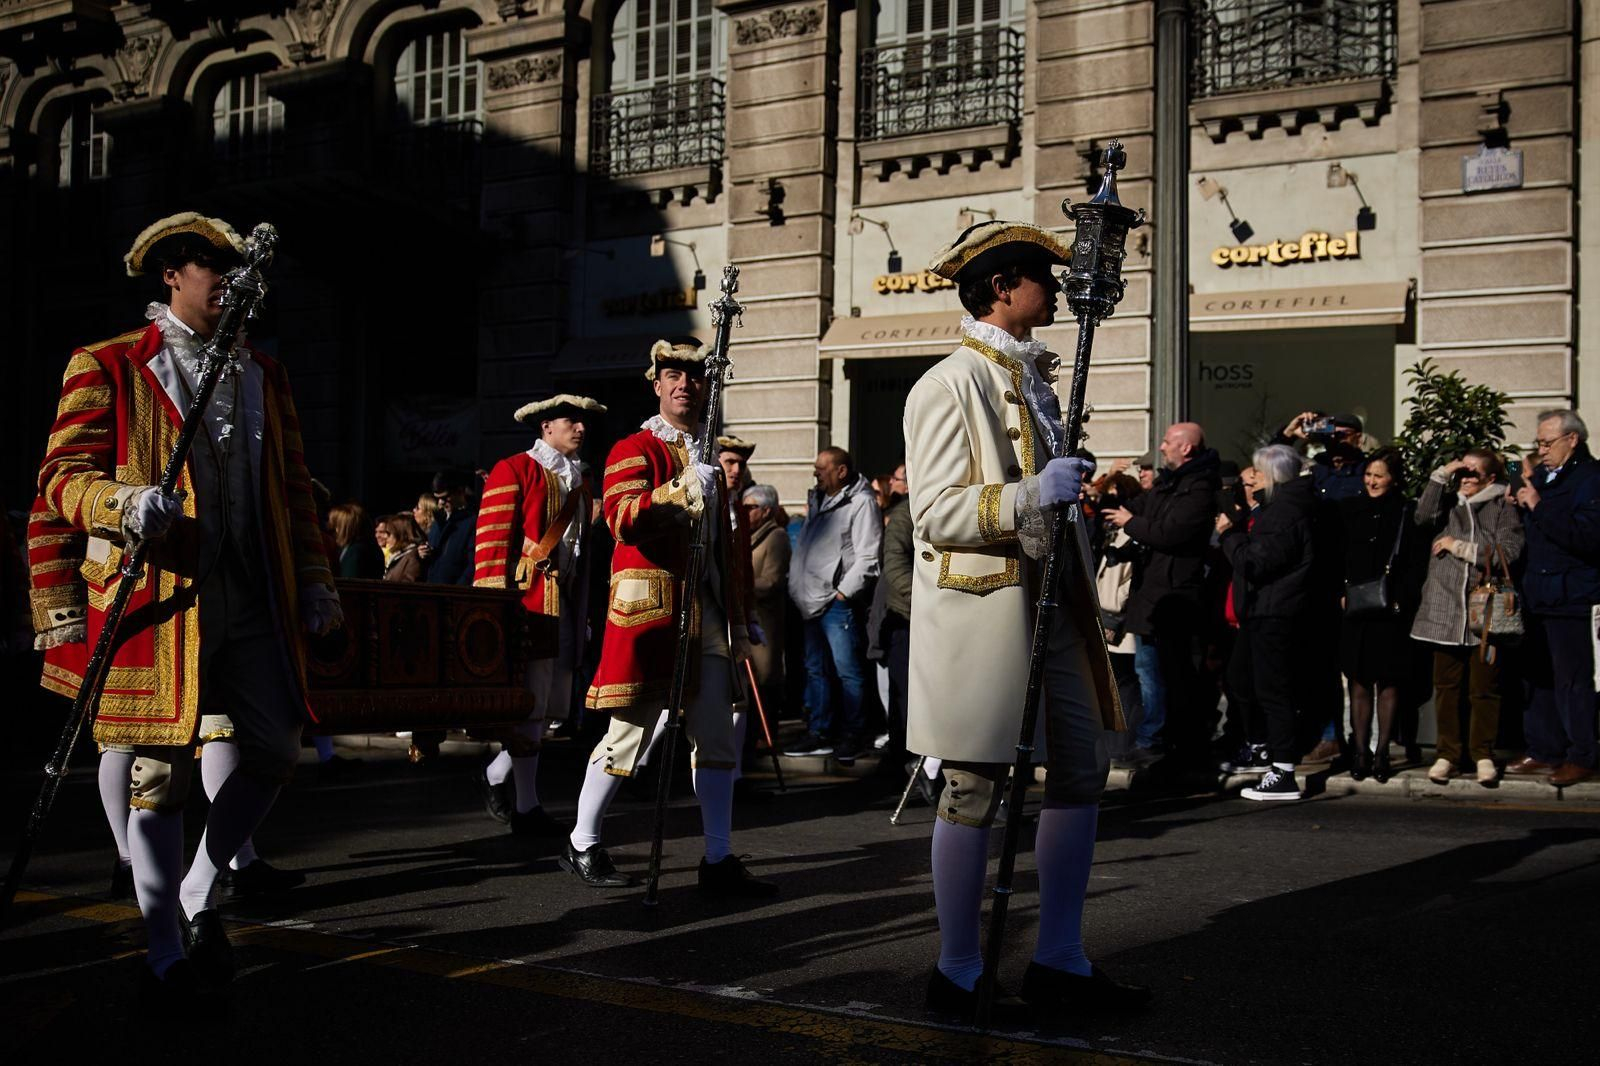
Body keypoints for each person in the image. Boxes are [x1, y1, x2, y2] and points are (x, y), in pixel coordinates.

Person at [28, 211, 340, 995]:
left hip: (252, 592)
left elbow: (293, 492)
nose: (233, 283)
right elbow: (60, 479)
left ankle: (202, 886)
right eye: (215, 268)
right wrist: (123, 503)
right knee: (158, 778)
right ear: (173, 275)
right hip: (160, 596)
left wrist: (315, 581)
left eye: (242, 272)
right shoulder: (109, 362)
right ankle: (165, 948)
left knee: (274, 748)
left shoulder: (265, 374)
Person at [905, 218, 1146, 1023]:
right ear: (1002, 287)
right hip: (987, 613)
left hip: (1058, 604)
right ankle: (958, 971)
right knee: (973, 789)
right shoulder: (947, 384)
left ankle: (1060, 960)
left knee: (1080, 773)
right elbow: (935, 513)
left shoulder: (1034, 379)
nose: (1058, 288)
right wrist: (1031, 495)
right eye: (1044, 275)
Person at [565, 339, 774, 897]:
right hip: (652, 612)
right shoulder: (634, 447)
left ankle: (718, 858)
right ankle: (582, 840)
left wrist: (741, 615)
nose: (685, 384)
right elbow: (620, 519)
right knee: (628, 735)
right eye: (673, 375)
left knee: (717, 742)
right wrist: (677, 492)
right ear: (656, 384)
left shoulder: (712, 462)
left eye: (694, 376)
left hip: (709, 617)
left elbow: (725, 553)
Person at [472, 393, 606, 836]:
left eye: (583, 422)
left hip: (562, 604)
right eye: (571, 421)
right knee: (531, 704)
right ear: (546, 426)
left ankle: (496, 774)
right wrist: (492, 608)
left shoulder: (580, 482)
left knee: (550, 707)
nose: (580, 429)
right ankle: (526, 808)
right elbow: (492, 541)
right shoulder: (515, 469)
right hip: (527, 603)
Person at [1101, 422, 1220, 765]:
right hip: (1153, 597)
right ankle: (1155, 737)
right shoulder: (1169, 485)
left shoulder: (1198, 489)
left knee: (1163, 674)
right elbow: (1140, 507)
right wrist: (1110, 489)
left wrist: (1129, 522)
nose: (1163, 447)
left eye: (1167, 442)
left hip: (1174, 598)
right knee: (1148, 670)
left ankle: (1158, 739)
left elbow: (1171, 533)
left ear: (1186, 448)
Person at [1410, 449, 1524, 786]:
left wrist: (1457, 546)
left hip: (1486, 613)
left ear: (1490, 478)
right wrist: (1442, 474)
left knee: (1484, 688)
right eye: (1462, 473)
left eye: (1472, 473)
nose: (1465, 478)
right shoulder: (1448, 504)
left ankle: (1482, 754)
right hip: (1443, 610)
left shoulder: (1502, 507)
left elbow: (1508, 552)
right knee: (1446, 688)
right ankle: (1447, 754)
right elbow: (1422, 517)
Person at [1218, 444, 1317, 801]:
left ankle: (1284, 770)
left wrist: (1230, 535)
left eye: (1258, 472)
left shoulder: (1283, 513)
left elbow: (1257, 562)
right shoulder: (1280, 508)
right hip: (1263, 609)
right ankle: (1262, 748)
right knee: (1241, 678)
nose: (1252, 478)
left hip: (1275, 610)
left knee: (1272, 690)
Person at [1512, 410, 1600, 787]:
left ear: (1572, 440)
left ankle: (1581, 755)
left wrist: (1538, 505)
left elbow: (1587, 537)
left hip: (1571, 595)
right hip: (1538, 592)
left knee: (1572, 680)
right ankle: (1544, 748)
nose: (1542, 449)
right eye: (1539, 443)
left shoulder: (1591, 479)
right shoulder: (1544, 477)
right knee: (1538, 677)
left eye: (1548, 443)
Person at [783, 447, 881, 762]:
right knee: (816, 671)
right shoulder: (818, 499)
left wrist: (843, 593)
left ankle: (854, 735)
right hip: (810, 601)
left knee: (848, 672)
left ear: (841, 471)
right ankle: (820, 732)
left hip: (836, 603)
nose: (815, 473)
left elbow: (868, 557)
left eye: (821, 468)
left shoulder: (861, 503)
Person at [1337, 448, 1423, 783]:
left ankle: (1383, 750)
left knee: (1388, 681)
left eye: (1379, 476)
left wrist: (1403, 599)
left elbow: (1414, 562)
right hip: (1356, 607)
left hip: (1391, 609)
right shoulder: (1350, 509)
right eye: (1368, 475)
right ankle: (1361, 750)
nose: (1372, 481)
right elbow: (1338, 555)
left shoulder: (1405, 511)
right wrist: (1341, 591)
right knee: (1358, 679)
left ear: (1394, 479)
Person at [869, 463, 913, 771]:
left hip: (929, 618)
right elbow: (894, 563)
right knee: (902, 696)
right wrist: (924, 600)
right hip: (906, 616)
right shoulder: (904, 515)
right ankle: (901, 760)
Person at [742, 483, 790, 748]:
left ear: (766, 510)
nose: (745, 512)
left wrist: (739, 585)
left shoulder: (776, 537)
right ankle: (751, 736)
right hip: (749, 618)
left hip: (765, 620)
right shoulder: (748, 535)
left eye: (751, 507)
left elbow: (772, 581)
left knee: (766, 681)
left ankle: (766, 735)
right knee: (750, 684)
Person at [423, 469, 476, 585]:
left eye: (445, 497)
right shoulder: (438, 522)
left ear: (460, 492)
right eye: (437, 498)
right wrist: (422, 554)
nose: (440, 503)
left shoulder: (472, 522)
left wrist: (457, 590)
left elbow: (472, 564)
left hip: (454, 592)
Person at [327, 501, 382, 579]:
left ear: (346, 528)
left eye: (336, 526)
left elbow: (349, 581)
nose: (335, 531)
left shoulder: (356, 552)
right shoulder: (371, 547)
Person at [382, 512, 425, 583]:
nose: (386, 537)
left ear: (401, 536)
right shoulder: (398, 556)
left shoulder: (412, 559)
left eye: (389, 534)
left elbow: (408, 587)